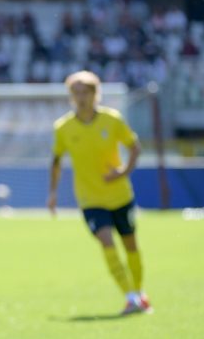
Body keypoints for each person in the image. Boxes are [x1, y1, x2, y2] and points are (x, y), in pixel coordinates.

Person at [47, 70, 152, 316]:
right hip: (90, 199)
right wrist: (52, 193)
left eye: (86, 92)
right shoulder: (63, 128)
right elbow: (56, 161)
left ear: (96, 94)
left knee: (131, 246)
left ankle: (138, 292)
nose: (81, 97)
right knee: (106, 242)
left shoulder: (112, 120)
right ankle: (129, 297)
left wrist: (123, 171)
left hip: (120, 195)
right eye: (76, 92)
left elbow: (134, 147)